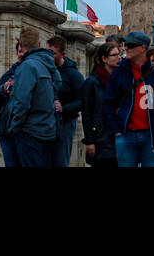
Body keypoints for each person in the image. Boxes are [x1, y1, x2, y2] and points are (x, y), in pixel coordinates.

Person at [103, 31, 154, 168]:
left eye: (130, 45)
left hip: (151, 136)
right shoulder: (119, 73)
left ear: (143, 48)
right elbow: (108, 102)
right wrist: (116, 131)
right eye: (125, 44)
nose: (126, 48)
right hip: (125, 135)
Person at [7, 27, 61, 167]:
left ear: (21, 45)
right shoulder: (47, 64)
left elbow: (22, 102)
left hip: (30, 132)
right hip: (47, 129)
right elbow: (58, 83)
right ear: (38, 44)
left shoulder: (27, 67)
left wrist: (14, 127)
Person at [80, 40, 120, 167]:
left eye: (119, 54)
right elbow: (86, 114)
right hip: (100, 139)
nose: (119, 58)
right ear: (104, 59)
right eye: (115, 55)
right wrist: (89, 141)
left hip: (117, 137)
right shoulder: (92, 83)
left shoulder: (120, 81)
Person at [45, 36, 84, 167]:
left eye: (53, 53)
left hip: (65, 123)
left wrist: (64, 108)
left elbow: (83, 101)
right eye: (47, 52)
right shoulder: (45, 70)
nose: (49, 56)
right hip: (46, 121)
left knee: (61, 160)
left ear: (63, 54)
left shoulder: (74, 75)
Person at [0, 40, 24, 167]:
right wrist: (3, 89)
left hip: (24, 130)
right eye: (20, 51)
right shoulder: (11, 72)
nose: (21, 55)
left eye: (24, 51)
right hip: (6, 129)